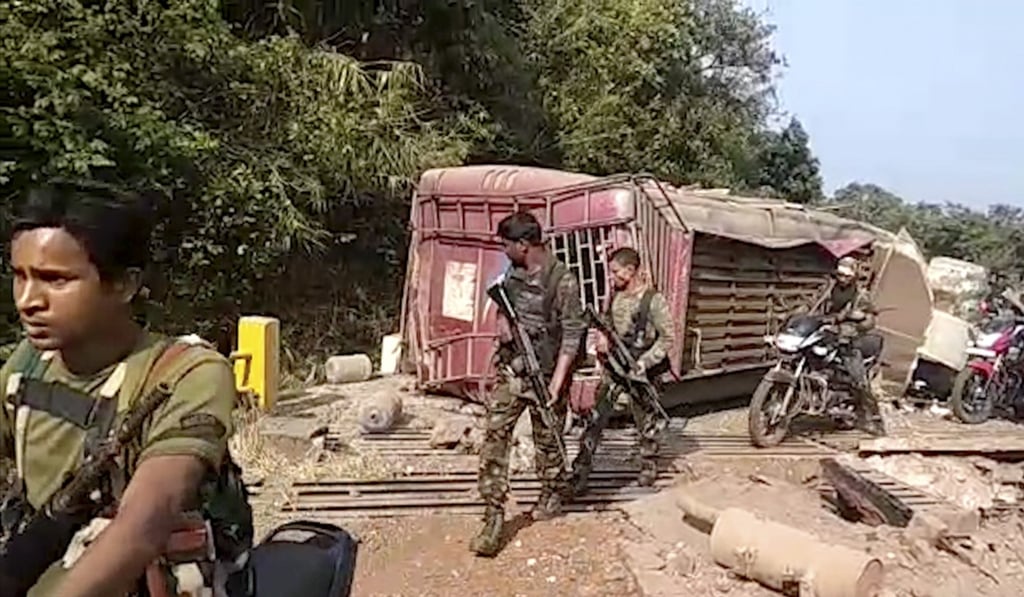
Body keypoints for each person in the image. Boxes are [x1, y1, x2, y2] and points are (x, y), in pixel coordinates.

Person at [0, 180, 253, 596]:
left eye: (55, 280)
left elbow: (142, 527)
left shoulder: (187, 374)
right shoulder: (29, 364)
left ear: (124, 285)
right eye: (20, 276)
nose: (28, 300)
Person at [470, 211, 586, 558]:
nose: (503, 250)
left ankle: (553, 489)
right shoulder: (511, 271)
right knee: (495, 436)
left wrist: (556, 383)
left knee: (548, 438)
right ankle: (492, 514)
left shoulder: (562, 280)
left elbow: (573, 334)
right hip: (512, 370)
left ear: (524, 244)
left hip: (547, 372)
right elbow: (501, 303)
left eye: (507, 244)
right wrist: (502, 323)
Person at [570, 247, 674, 495]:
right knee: (595, 419)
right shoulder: (615, 296)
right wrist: (603, 339)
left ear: (630, 270)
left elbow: (667, 338)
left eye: (616, 272)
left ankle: (648, 465)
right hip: (615, 368)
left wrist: (645, 362)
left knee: (645, 422)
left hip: (640, 372)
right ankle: (580, 470)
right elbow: (606, 324)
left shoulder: (653, 301)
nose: (612, 277)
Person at [823, 255, 885, 436]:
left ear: (854, 276)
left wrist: (856, 319)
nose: (842, 279)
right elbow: (813, 305)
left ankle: (872, 419)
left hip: (850, 338)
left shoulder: (861, 295)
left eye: (846, 276)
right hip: (827, 333)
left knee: (857, 378)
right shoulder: (828, 289)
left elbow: (870, 321)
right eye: (839, 274)